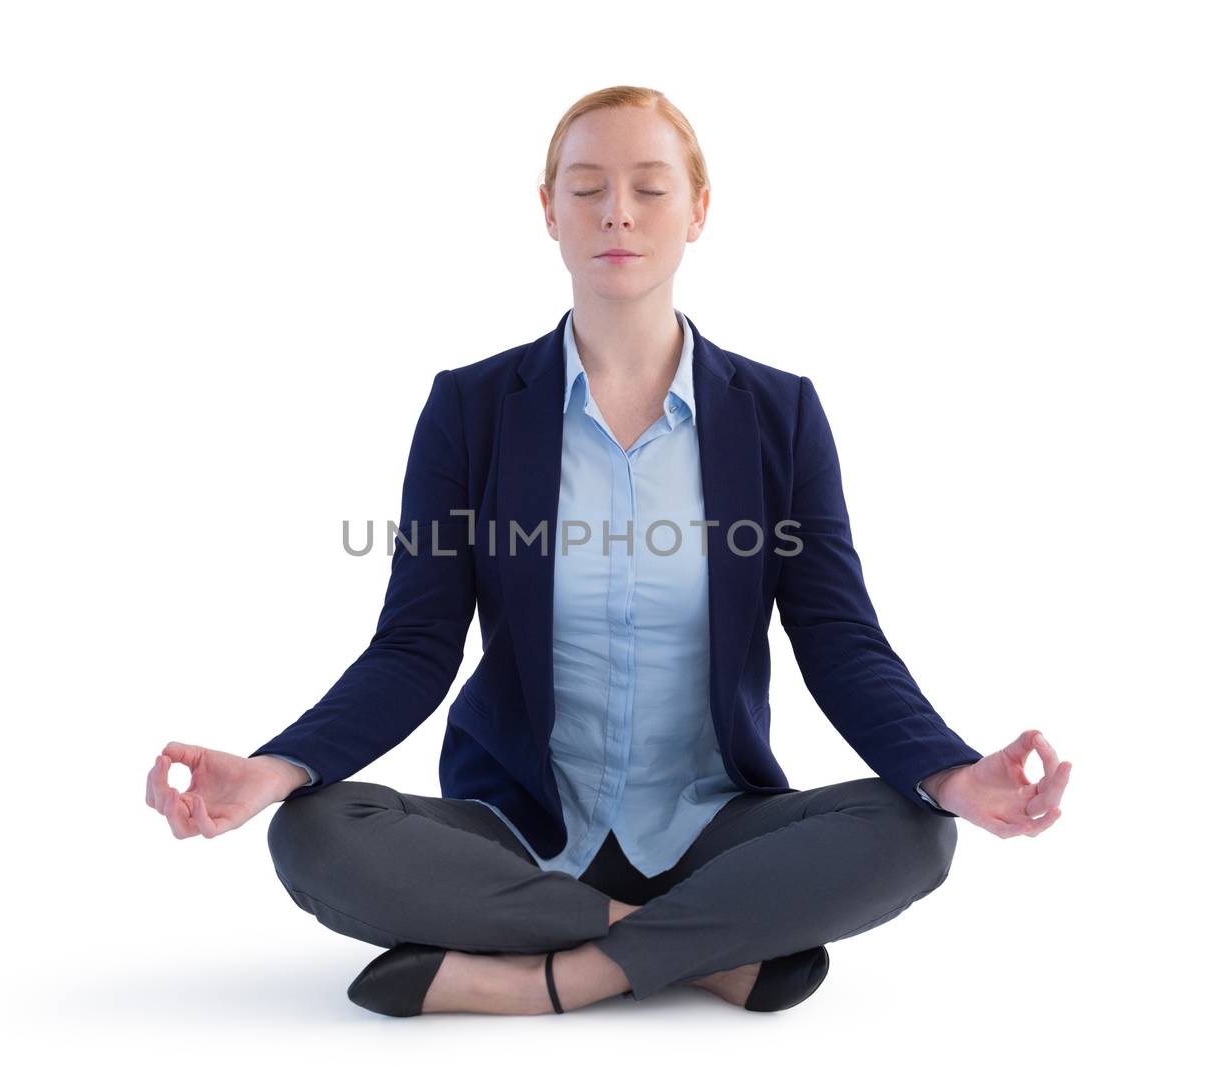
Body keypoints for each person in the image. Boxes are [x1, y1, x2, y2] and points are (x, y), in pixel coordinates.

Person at [143, 85, 1072, 1018]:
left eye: (650, 188)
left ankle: (544, 973)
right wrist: (278, 767)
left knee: (916, 831)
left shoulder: (779, 416)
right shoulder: (469, 411)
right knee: (316, 833)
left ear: (698, 210)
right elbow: (414, 646)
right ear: (547, 211)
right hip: (515, 827)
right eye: (586, 188)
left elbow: (839, 639)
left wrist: (952, 772)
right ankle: (710, 947)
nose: (617, 212)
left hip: (715, 824)